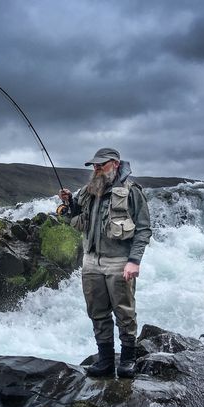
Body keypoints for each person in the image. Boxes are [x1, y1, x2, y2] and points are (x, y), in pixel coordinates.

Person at [59, 147, 152, 378]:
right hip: (90, 260)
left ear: (116, 164)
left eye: (102, 164)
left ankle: (128, 360)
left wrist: (134, 261)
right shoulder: (88, 191)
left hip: (119, 261)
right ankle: (105, 361)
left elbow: (143, 229)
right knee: (97, 312)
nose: (97, 168)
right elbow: (73, 216)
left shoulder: (132, 192)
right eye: (95, 165)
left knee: (125, 313)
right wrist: (68, 202)